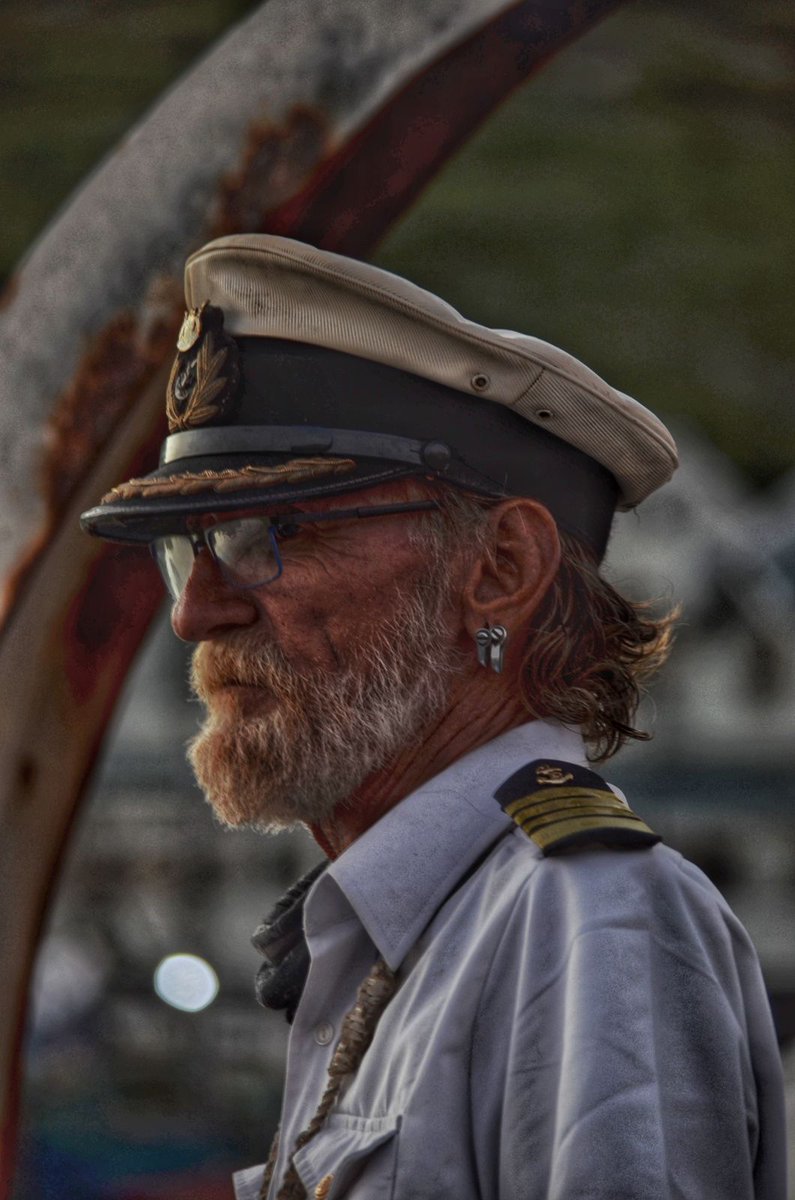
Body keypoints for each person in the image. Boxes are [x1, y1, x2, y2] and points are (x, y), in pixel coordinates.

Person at [81, 234, 786, 1200]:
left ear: (499, 569)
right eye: (189, 548)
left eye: (269, 535)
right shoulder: (427, 929)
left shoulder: (592, 924)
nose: (194, 611)